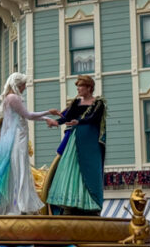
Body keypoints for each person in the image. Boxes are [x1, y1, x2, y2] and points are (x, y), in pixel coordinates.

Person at [0, 72, 60, 215]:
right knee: (18, 168)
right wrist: (48, 113)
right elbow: (28, 115)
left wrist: (46, 118)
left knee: (17, 169)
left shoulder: (9, 98)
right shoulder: (13, 97)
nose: (25, 87)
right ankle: (18, 205)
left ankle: (17, 204)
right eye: (23, 85)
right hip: (17, 137)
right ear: (17, 84)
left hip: (17, 136)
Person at [45, 74, 106, 215]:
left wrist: (79, 122)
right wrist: (55, 122)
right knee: (70, 169)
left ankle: (89, 203)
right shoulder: (76, 103)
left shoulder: (98, 103)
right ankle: (70, 203)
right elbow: (65, 116)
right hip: (75, 140)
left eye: (80, 86)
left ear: (89, 88)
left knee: (88, 170)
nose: (78, 89)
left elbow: (93, 117)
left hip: (89, 142)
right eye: (77, 86)